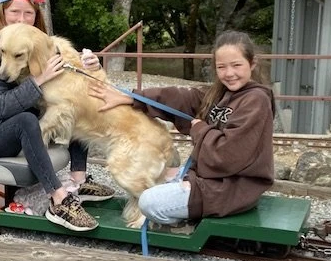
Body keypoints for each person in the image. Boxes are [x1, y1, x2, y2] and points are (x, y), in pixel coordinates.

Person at [0, 0, 115, 232]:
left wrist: (93, 66)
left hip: (25, 122)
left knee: (71, 100)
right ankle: (59, 200)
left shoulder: (40, 44)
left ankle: (78, 181)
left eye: (28, 13)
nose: (21, 19)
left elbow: (73, 83)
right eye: (14, 11)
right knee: (27, 120)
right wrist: (39, 80)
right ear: (2, 12)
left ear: (36, 17)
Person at [90, 31, 276, 226]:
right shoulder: (222, 93)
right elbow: (182, 97)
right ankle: (184, 203)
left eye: (236, 65)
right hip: (211, 181)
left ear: (252, 63)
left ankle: (181, 226)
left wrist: (200, 130)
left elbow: (227, 154)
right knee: (159, 180)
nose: (229, 73)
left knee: (148, 201)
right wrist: (132, 98)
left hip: (231, 189)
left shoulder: (256, 100)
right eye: (222, 67)